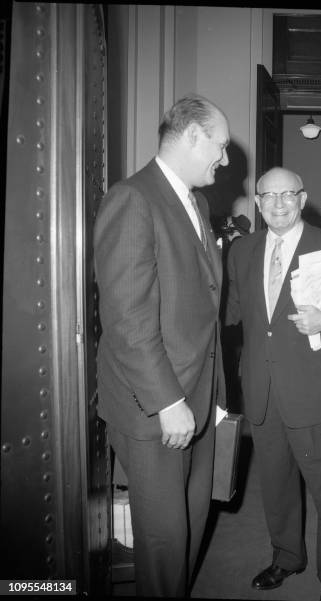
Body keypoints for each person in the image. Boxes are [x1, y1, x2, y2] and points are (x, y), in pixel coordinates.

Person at [94, 94, 229, 597]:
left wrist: (210, 396)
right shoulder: (133, 199)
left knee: (191, 523)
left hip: (197, 394)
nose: (225, 158)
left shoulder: (196, 201)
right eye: (220, 145)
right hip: (156, 405)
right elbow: (128, 321)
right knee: (164, 540)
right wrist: (169, 401)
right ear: (192, 137)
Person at [226, 167, 321, 601]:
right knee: (276, 487)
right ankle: (287, 557)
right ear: (257, 201)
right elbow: (235, 314)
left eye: (288, 194)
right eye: (268, 196)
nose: (278, 204)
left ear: (303, 198)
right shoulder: (242, 250)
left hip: (319, 390)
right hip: (263, 392)